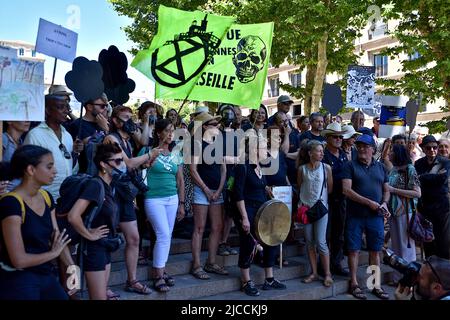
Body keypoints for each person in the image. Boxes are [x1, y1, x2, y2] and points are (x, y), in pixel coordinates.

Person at [0, 145, 73, 300]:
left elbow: (58, 238)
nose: (55, 171)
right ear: (31, 170)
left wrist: (73, 269)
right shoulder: (11, 203)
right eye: (49, 166)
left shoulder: (46, 197)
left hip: (45, 275)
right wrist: (52, 253)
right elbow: (18, 260)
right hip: (17, 279)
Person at [103, 105, 161, 295]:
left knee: (134, 238)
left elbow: (144, 140)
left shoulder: (128, 140)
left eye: (130, 117)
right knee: (109, 241)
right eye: (124, 118)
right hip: (111, 194)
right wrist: (149, 155)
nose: (128, 121)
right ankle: (102, 286)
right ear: (115, 120)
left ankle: (132, 280)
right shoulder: (111, 138)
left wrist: (146, 123)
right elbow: (127, 163)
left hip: (125, 195)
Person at [67, 143, 125, 300]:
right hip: (94, 249)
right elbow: (73, 216)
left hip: (105, 246)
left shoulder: (109, 186)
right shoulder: (95, 185)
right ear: (103, 164)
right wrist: (89, 234)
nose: (122, 164)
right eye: (118, 161)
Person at [233, 133, 287, 296]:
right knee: (248, 244)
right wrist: (243, 218)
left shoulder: (260, 167)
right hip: (247, 210)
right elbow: (238, 194)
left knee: (272, 240)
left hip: (263, 210)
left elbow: (258, 187)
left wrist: (267, 190)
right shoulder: (243, 167)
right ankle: (246, 281)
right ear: (255, 150)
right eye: (264, 147)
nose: (267, 151)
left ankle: (269, 278)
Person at [342, 134, 391, 300]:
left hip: (375, 216)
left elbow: (386, 190)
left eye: (365, 146)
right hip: (355, 215)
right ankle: (354, 283)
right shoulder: (350, 166)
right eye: (359, 146)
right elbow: (346, 190)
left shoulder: (381, 167)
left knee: (375, 251)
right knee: (353, 251)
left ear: (373, 149)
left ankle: (375, 284)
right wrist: (368, 202)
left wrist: (384, 203)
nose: (362, 149)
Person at [141, 119, 185, 292]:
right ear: (158, 133)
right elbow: (140, 171)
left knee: (167, 236)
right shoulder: (148, 151)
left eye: (172, 131)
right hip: (153, 198)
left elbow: (180, 180)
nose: (170, 134)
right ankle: (158, 275)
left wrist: (181, 203)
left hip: (172, 198)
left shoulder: (176, 153)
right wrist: (149, 160)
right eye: (167, 131)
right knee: (164, 235)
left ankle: (162, 269)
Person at [190, 112, 228, 280]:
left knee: (217, 227)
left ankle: (211, 262)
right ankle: (196, 265)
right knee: (199, 227)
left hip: (216, 191)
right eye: (213, 124)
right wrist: (205, 189)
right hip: (201, 190)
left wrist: (219, 189)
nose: (217, 127)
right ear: (204, 126)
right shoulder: (195, 143)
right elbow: (192, 169)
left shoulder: (217, 143)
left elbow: (223, 168)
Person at [24, 94, 77, 200]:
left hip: (66, 198)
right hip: (43, 198)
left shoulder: (67, 135)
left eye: (67, 107)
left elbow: (71, 165)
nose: (66, 111)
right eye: (61, 107)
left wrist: (75, 154)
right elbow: (27, 170)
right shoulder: (35, 135)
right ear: (47, 110)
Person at [298, 140, 334, 287]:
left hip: (320, 208)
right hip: (306, 209)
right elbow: (300, 186)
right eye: (318, 151)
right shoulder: (302, 169)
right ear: (310, 153)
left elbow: (329, 189)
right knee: (309, 242)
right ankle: (313, 272)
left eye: (322, 151)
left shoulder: (326, 168)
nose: (321, 153)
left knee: (321, 241)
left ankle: (327, 274)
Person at [387, 144, 421, 284]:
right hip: (395, 212)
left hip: (405, 213)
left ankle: (409, 281)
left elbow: (417, 193)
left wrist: (394, 190)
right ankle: (398, 279)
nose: (389, 153)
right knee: (396, 247)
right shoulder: (394, 169)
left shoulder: (410, 169)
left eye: (392, 151)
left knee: (406, 248)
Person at [414, 135, 450, 259]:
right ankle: (430, 271)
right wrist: (431, 177)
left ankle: (444, 273)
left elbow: (441, 179)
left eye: (435, 147)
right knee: (428, 242)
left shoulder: (444, 162)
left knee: (443, 243)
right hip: (425, 208)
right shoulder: (418, 163)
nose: (432, 150)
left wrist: (424, 177)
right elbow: (416, 181)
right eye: (428, 148)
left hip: (442, 208)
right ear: (423, 149)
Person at [321, 123, 349, 276]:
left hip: (342, 199)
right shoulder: (323, 155)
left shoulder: (344, 154)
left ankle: (336, 262)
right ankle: (323, 264)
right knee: (325, 233)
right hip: (326, 199)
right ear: (328, 138)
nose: (339, 139)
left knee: (339, 233)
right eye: (335, 136)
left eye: (340, 136)